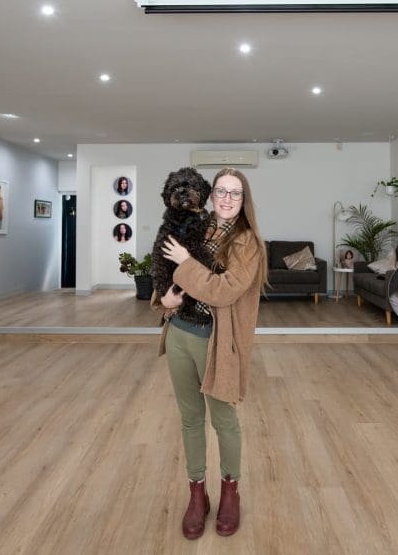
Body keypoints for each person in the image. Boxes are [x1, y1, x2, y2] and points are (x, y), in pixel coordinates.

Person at [155, 168, 267, 540]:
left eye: (235, 193)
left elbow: (223, 291)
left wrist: (186, 263)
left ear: (244, 199)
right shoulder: (193, 225)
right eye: (221, 190)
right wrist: (163, 300)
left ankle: (230, 492)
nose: (227, 198)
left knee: (224, 419)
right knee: (189, 419)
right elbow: (166, 270)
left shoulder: (247, 243)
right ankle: (197, 494)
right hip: (179, 337)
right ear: (210, 193)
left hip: (216, 343)